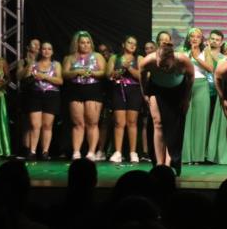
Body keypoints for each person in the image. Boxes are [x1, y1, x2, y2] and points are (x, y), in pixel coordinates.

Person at [139, 42, 195, 174]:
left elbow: (191, 78)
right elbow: (142, 77)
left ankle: (169, 163)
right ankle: (159, 163)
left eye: (166, 66)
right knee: (158, 123)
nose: (163, 69)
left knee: (172, 127)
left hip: (177, 90)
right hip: (156, 89)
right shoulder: (148, 61)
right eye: (160, 65)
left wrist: (186, 98)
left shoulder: (183, 61)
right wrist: (145, 93)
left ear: (173, 59)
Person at [62, 31, 106, 160]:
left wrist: (91, 72)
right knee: (78, 123)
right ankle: (76, 152)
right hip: (75, 90)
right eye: (82, 42)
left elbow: (103, 72)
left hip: (93, 89)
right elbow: (64, 74)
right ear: (77, 44)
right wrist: (76, 71)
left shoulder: (97, 56)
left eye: (88, 42)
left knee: (92, 122)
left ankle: (91, 152)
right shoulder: (70, 58)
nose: (85, 45)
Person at [105, 36, 142, 163]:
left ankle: (133, 152)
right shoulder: (114, 58)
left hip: (134, 90)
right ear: (123, 44)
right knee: (119, 122)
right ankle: (118, 152)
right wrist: (116, 73)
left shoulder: (139, 58)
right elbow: (108, 74)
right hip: (118, 89)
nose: (132, 45)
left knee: (132, 122)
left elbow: (142, 76)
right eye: (129, 42)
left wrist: (129, 68)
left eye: (134, 44)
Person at [180, 28, 214, 165]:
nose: (195, 39)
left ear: (201, 39)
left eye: (198, 36)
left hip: (201, 85)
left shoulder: (206, 52)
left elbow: (210, 69)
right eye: (192, 36)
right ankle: (185, 156)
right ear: (188, 38)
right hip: (186, 86)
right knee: (186, 120)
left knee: (200, 121)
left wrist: (196, 57)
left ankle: (197, 156)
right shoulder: (182, 51)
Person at [25, 42, 63, 160]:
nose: (46, 51)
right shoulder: (33, 64)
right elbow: (26, 79)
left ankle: (45, 151)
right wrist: (31, 74)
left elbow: (60, 81)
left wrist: (45, 76)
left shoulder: (56, 64)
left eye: (49, 49)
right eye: (44, 49)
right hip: (35, 95)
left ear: (52, 51)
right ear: (40, 51)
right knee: (35, 125)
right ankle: (32, 151)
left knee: (47, 125)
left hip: (51, 95)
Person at [16, 38, 40, 155]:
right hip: (27, 93)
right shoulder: (22, 62)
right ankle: (25, 148)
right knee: (26, 123)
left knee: (35, 123)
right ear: (28, 47)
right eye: (34, 44)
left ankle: (34, 149)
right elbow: (19, 76)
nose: (37, 47)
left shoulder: (42, 62)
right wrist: (30, 64)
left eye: (38, 45)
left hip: (39, 93)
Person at [139, 40, 158, 161]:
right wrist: (144, 96)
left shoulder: (158, 62)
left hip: (156, 96)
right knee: (146, 123)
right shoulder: (144, 62)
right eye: (147, 48)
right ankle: (146, 152)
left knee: (157, 124)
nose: (149, 50)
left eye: (151, 47)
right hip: (146, 96)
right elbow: (141, 81)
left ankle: (157, 150)